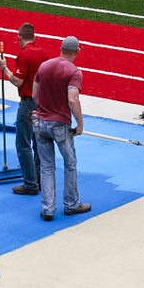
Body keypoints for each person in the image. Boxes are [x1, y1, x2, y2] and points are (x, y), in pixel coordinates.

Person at [33, 36, 91, 221]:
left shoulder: (44, 66)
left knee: (46, 167)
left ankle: (48, 208)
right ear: (76, 52)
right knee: (70, 164)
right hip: (60, 124)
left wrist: (44, 110)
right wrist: (80, 124)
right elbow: (72, 99)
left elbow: (35, 95)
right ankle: (71, 204)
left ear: (61, 48)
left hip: (40, 123)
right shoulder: (74, 71)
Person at [0, 22, 49, 195]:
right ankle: (40, 180)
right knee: (39, 143)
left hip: (27, 104)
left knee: (23, 144)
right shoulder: (43, 53)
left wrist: (5, 69)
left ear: (20, 37)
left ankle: (30, 183)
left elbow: (17, 81)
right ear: (34, 36)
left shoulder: (24, 55)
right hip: (42, 103)